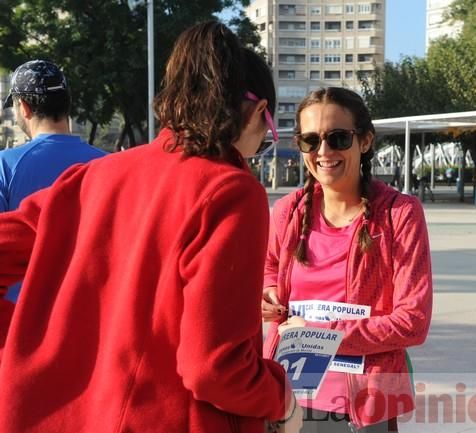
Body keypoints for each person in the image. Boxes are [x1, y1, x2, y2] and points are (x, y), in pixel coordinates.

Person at [0, 21, 300, 433]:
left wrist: (34, 341)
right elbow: (215, 367)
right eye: (268, 129)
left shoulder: (93, 177)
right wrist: (281, 398)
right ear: (253, 111)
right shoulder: (231, 191)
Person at [261, 87, 433, 432]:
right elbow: (269, 270)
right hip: (291, 396)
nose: (323, 152)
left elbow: (413, 321)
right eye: (310, 140)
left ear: (365, 141)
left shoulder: (400, 214)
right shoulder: (287, 211)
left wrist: (321, 335)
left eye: (338, 138)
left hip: (368, 403)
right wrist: (267, 295)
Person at [0, 60, 107, 303]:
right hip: (89, 317)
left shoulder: (5, 166)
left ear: (24, 108)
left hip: (21, 322)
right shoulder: (109, 165)